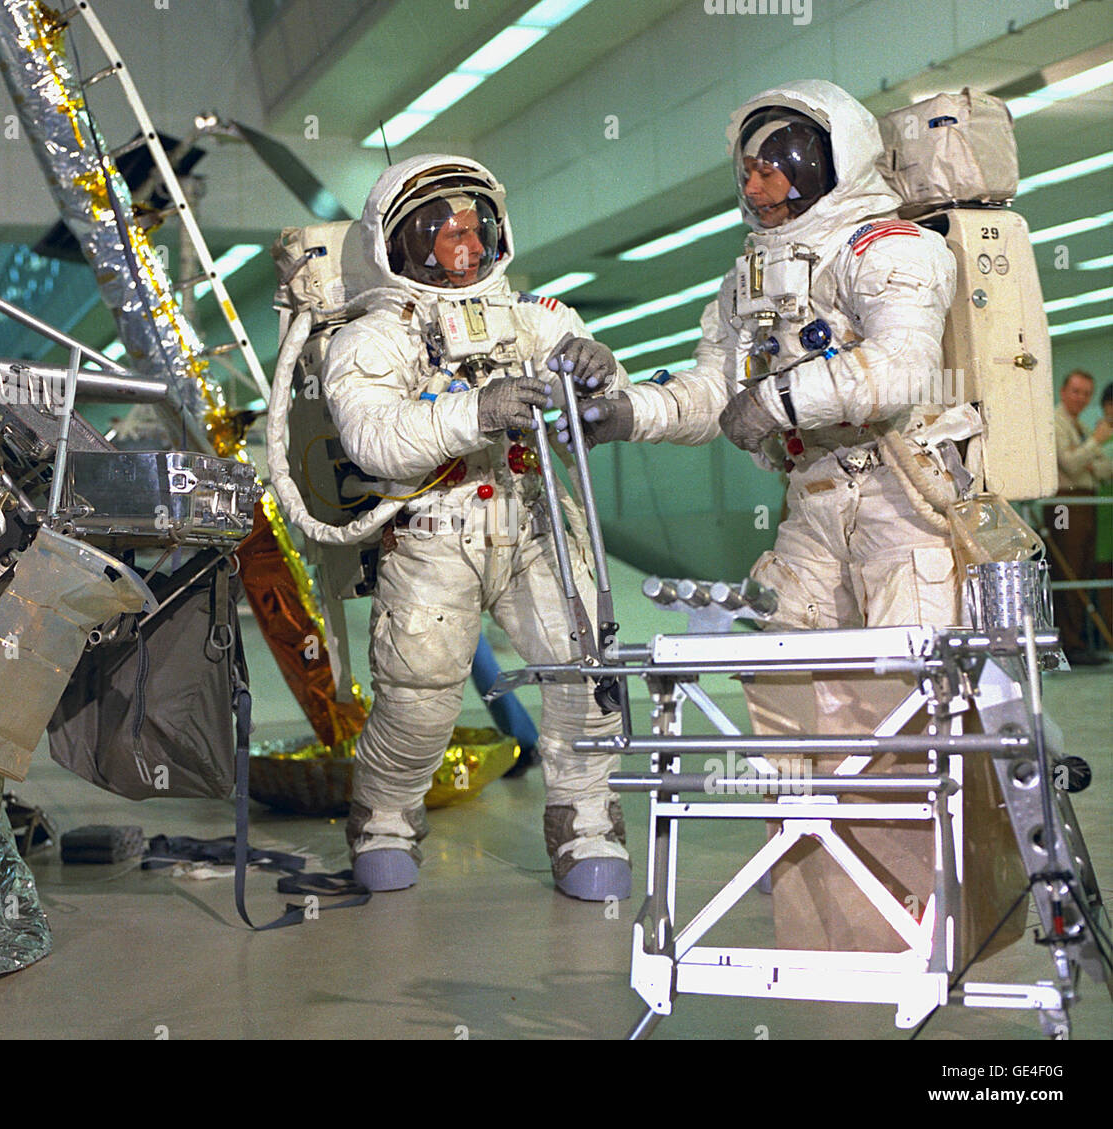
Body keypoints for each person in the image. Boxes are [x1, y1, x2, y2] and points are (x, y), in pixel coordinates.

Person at [559, 80, 995, 953]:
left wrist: (782, 399)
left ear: (835, 160)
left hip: (902, 500)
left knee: (912, 700)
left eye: (778, 167)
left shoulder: (891, 246)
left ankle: (937, 903)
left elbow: (901, 367)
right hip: (815, 501)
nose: (758, 188)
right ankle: (829, 892)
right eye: (749, 170)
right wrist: (628, 412)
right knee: (786, 683)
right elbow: (714, 390)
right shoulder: (747, 277)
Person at [321, 154, 631, 899]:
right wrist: (477, 411)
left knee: (584, 671)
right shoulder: (372, 337)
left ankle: (586, 821)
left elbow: (597, 396)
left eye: (472, 230)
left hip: (534, 519)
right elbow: (372, 437)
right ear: (401, 246)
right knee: (420, 695)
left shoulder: (538, 318)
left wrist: (599, 370)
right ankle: (387, 817)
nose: (461, 249)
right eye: (439, 233)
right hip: (432, 529)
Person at [1046, 369, 1113, 663]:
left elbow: (1104, 470)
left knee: (1083, 568)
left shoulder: (1081, 427)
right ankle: (1069, 645)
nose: (1081, 398)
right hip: (1063, 504)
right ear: (1063, 392)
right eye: (1076, 391)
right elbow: (1072, 465)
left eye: (1086, 393)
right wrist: (1094, 445)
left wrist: (1084, 452)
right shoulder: (1055, 422)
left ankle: (1079, 642)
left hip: (1085, 501)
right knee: (1067, 567)